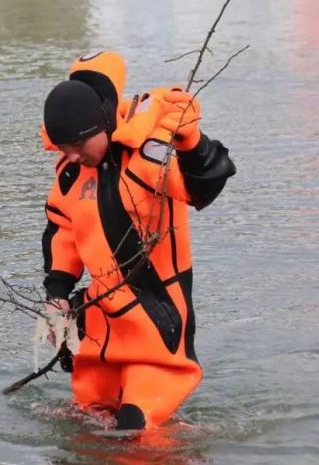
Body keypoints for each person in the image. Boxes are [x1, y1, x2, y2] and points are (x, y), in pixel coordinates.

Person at [38, 51, 236, 430]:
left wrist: (192, 142)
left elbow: (202, 187)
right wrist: (57, 297)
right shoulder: (70, 174)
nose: (73, 156)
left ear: (103, 124)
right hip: (100, 324)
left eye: (80, 144)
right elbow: (63, 232)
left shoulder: (149, 154)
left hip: (156, 324)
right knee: (85, 421)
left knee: (136, 427)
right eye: (64, 148)